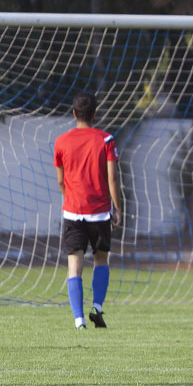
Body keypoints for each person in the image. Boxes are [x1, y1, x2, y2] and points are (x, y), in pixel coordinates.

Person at [54, 92, 121, 329]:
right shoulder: (106, 140)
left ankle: (78, 319)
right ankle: (98, 307)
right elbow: (112, 178)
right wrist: (118, 207)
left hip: (72, 212)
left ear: (74, 114)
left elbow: (61, 182)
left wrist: (71, 199)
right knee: (101, 259)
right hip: (100, 212)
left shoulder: (61, 142)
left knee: (75, 265)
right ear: (95, 113)